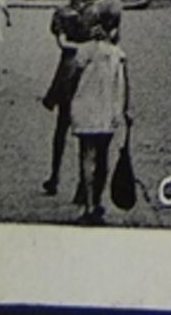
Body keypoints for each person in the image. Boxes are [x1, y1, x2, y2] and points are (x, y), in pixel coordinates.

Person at [42, 0, 107, 196]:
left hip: (68, 70)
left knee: (63, 124)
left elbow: (60, 41)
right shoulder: (99, 12)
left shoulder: (62, 12)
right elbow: (109, 40)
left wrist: (71, 45)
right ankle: (83, 182)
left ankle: (54, 176)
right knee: (87, 126)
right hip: (91, 69)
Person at [70, 18, 130, 226]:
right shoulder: (118, 55)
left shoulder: (83, 51)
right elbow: (121, 87)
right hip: (107, 110)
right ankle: (98, 200)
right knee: (103, 158)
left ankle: (87, 204)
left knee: (86, 156)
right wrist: (121, 112)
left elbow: (73, 77)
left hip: (84, 108)